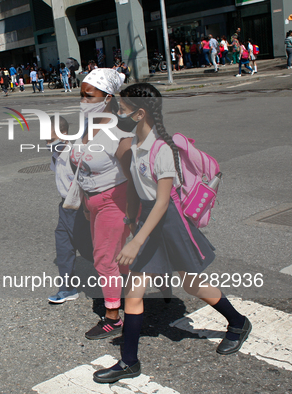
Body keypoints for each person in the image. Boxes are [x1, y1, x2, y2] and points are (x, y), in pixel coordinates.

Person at [93, 83, 251, 383]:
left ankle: (238, 322)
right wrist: (130, 222)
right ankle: (129, 361)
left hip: (170, 224)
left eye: (122, 110)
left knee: (192, 285)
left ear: (140, 114)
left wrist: (137, 239)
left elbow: (163, 202)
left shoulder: (161, 149)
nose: (118, 114)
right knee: (134, 292)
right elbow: (139, 192)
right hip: (148, 224)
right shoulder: (135, 146)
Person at [69, 68, 138, 340]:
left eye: (89, 96)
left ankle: (113, 317)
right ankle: (135, 297)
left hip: (116, 200)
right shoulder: (88, 124)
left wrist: (131, 213)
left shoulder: (118, 130)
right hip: (94, 201)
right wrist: (87, 202)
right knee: (116, 258)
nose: (83, 101)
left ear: (108, 97)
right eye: (81, 95)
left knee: (104, 260)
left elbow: (132, 174)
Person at [46, 116, 95, 303]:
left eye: (50, 139)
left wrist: (87, 209)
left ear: (63, 134)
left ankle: (120, 282)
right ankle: (67, 289)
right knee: (63, 247)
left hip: (81, 208)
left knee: (90, 250)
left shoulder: (75, 153)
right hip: (65, 207)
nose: (48, 144)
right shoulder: (56, 154)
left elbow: (86, 182)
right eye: (45, 141)